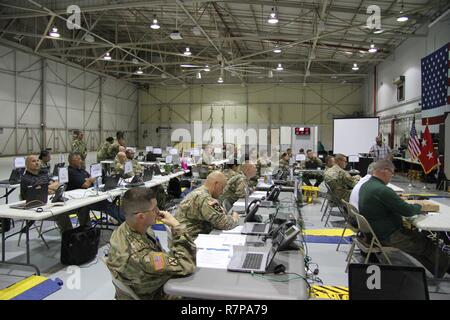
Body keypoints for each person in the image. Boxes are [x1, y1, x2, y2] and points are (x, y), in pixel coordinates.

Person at [358, 160, 450, 278]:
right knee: (426, 243)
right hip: (388, 235)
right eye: (392, 172)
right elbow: (407, 211)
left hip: (374, 233)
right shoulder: (382, 190)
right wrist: (419, 206)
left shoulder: (366, 185)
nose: (392, 175)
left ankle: (439, 271)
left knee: (419, 241)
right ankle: (446, 268)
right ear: (385, 171)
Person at [106, 188, 196, 300]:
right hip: (156, 295)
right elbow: (187, 265)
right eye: (154, 209)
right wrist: (177, 227)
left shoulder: (125, 228)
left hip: (142, 286)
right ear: (141, 217)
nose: (159, 211)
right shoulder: (144, 257)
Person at [20, 155, 87, 233]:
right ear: (27, 165)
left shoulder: (43, 174)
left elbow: (57, 185)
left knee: (83, 208)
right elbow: (41, 191)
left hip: (50, 203)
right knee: (62, 214)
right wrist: (48, 189)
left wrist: (47, 188)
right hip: (36, 209)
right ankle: (69, 239)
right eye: (33, 161)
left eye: (37, 161)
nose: (37, 163)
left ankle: (87, 233)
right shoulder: (26, 179)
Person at [176, 171, 239, 240]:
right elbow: (224, 224)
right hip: (192, 240)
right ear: (216, 184)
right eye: (222, 188)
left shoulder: (199, 192)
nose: (222, 192)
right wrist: (234, 218)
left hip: (185, 236)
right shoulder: (205, 198)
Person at [67, 152, 125, 223]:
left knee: (108, 203)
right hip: (82, 201)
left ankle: (124, 218)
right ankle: (125, 220)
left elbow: (91, 179)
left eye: (80, 159)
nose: (81, 161)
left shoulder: (81, 170)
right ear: (72, 161)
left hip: (90, 196)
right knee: (106, 205)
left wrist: (90, 180)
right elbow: (86, 184)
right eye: (78, 159)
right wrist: (90, 180)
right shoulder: (70, 172)